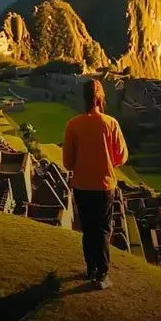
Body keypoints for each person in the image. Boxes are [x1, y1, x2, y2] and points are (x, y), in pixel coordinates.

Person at [63, 79, 128, 289]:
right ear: (100, 97)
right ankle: (102, 274)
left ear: (84, 98)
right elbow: (121, 157)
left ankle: (91, 268)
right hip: (104, 184)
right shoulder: (110, 123)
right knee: (102, 230)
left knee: (89, 229)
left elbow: (67, 162)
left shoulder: (73, 125)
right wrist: (108, 160)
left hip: (82, 184)